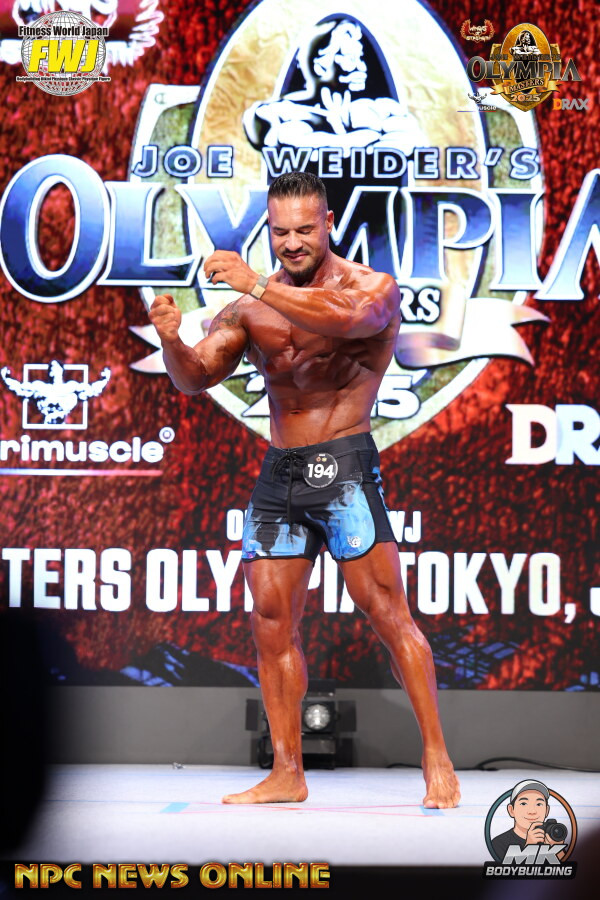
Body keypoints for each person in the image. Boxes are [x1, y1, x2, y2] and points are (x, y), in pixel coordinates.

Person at [148, 171, 460, 808]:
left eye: (303, 230)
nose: (291, 242)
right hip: (280, 476)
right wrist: (172, 339)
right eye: (280, 231)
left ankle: (436, 755)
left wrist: (257, 285)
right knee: (270, 622)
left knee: (388, 615)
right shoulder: (250, 307)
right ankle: (287, 771)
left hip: (344, 468)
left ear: (328, 225)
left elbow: (347, 320)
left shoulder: (370, 287)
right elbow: (196, 376)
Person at [491, 780, 566, 862]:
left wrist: (557, 849)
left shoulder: (552, 838)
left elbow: (568, 867)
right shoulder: (498, 843)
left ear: (547, 811)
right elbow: (508, 869)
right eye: (523, 803)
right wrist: (529, 847)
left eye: (539, 804)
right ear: (511, 810)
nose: (532, 811)